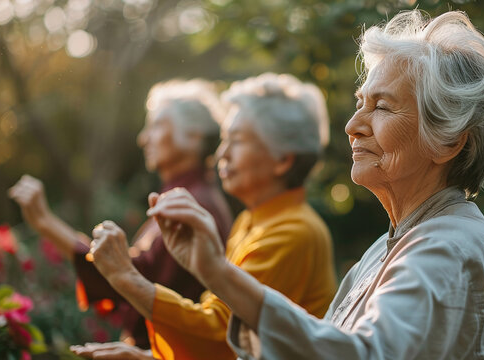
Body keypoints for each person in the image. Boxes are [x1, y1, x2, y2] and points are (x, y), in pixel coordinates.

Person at [139, 10, 484, 359]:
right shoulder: (389, 245)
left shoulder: (451, 245)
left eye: (381, 107)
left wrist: (216, 273)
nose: (352, 127)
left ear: (448, 141)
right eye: (360, 103)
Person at [72, 73, 337, 360]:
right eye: (224, 140)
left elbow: (224, 336)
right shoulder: (252, 222)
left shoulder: (294, 232)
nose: (221, 153)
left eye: (236, 141)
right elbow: (221, 320)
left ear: (283, 160)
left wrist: (126, 277)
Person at [8, 79, 233, 349]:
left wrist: (46, 223)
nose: (143, 138)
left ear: (195, 135)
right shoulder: (189, 196)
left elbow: (131, 278)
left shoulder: (191, 203)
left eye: (156, 126)